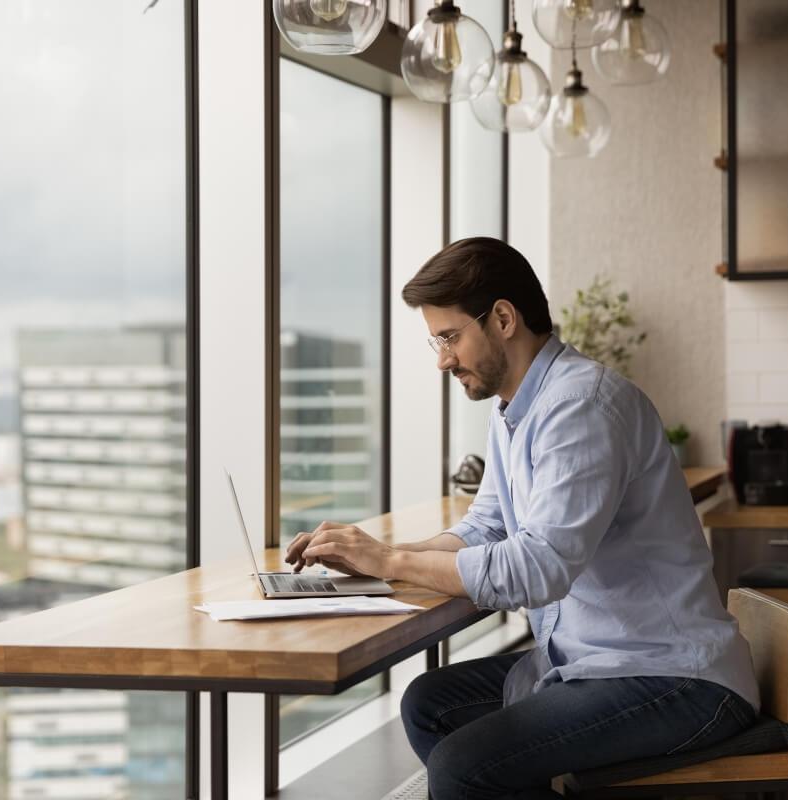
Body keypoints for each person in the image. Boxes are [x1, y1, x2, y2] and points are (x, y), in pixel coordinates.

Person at [284, 237, 758, 800]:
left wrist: (390, 560)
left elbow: (539, 568)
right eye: (435, 341)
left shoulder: (582, 404)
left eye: (449, 337)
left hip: (673, 678)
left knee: (464, 766)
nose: (442, 360)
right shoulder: (514, 409)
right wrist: (368, 561)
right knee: (429, 705)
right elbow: (484, 529)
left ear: (503, 318)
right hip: (594, 661)